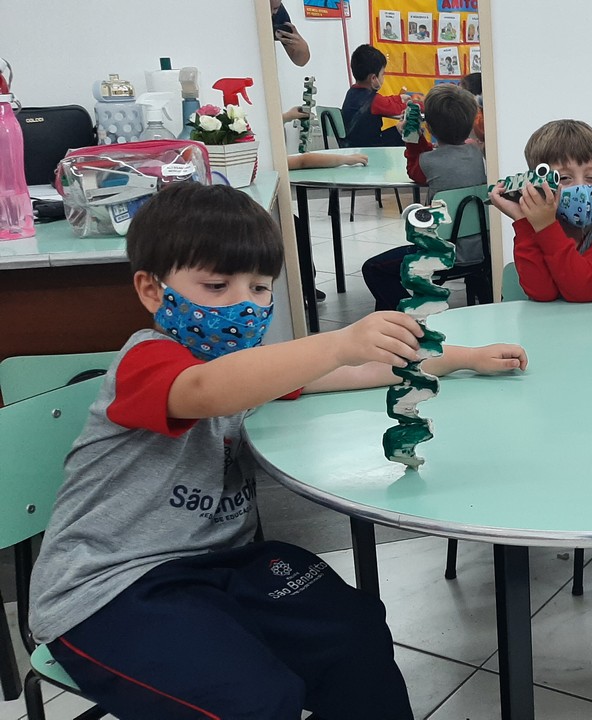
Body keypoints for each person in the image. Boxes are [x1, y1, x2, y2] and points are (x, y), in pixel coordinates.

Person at [27, 183, 528, 719]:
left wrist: (459, 357)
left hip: (222, 566)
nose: (244, 303)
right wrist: (336, 342)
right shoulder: (148, 359)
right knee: (255, 699)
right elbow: (205, 391)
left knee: (354, 634)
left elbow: (350, 371)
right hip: (109, 588)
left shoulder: (252, 369)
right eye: (216, 285)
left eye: (260, 288)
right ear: (153, 290)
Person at [365, 84, 486, 311]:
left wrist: (413, 138)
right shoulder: (478, 152)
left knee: (373, 269)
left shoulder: (428, 162)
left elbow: (414, 168)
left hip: (442, 255)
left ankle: (409, 315)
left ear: (428, 126)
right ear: (471, 122)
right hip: (483, 251)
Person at [490, 119, 592, 302]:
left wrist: (547, 228)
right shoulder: (537, 231)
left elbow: (584, 290)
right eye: (564, 178)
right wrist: (523, 221)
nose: (581, 188)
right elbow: (541, 293)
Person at [343, 44, 411, 148]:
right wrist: (411, 104)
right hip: (370, 147)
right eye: (382, 74)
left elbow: (385, 102)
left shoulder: (351, 92)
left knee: (397, 129)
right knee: (402, 130)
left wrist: (398, 98)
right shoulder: (374, 100)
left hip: (352, 145)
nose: (383, 78)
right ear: (373, 78)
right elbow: (397, 109)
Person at [270, 0, 310, 67]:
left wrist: (303, 49)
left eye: (275, 9)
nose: (271, 13)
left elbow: (300, 62)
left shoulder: (279, 13)